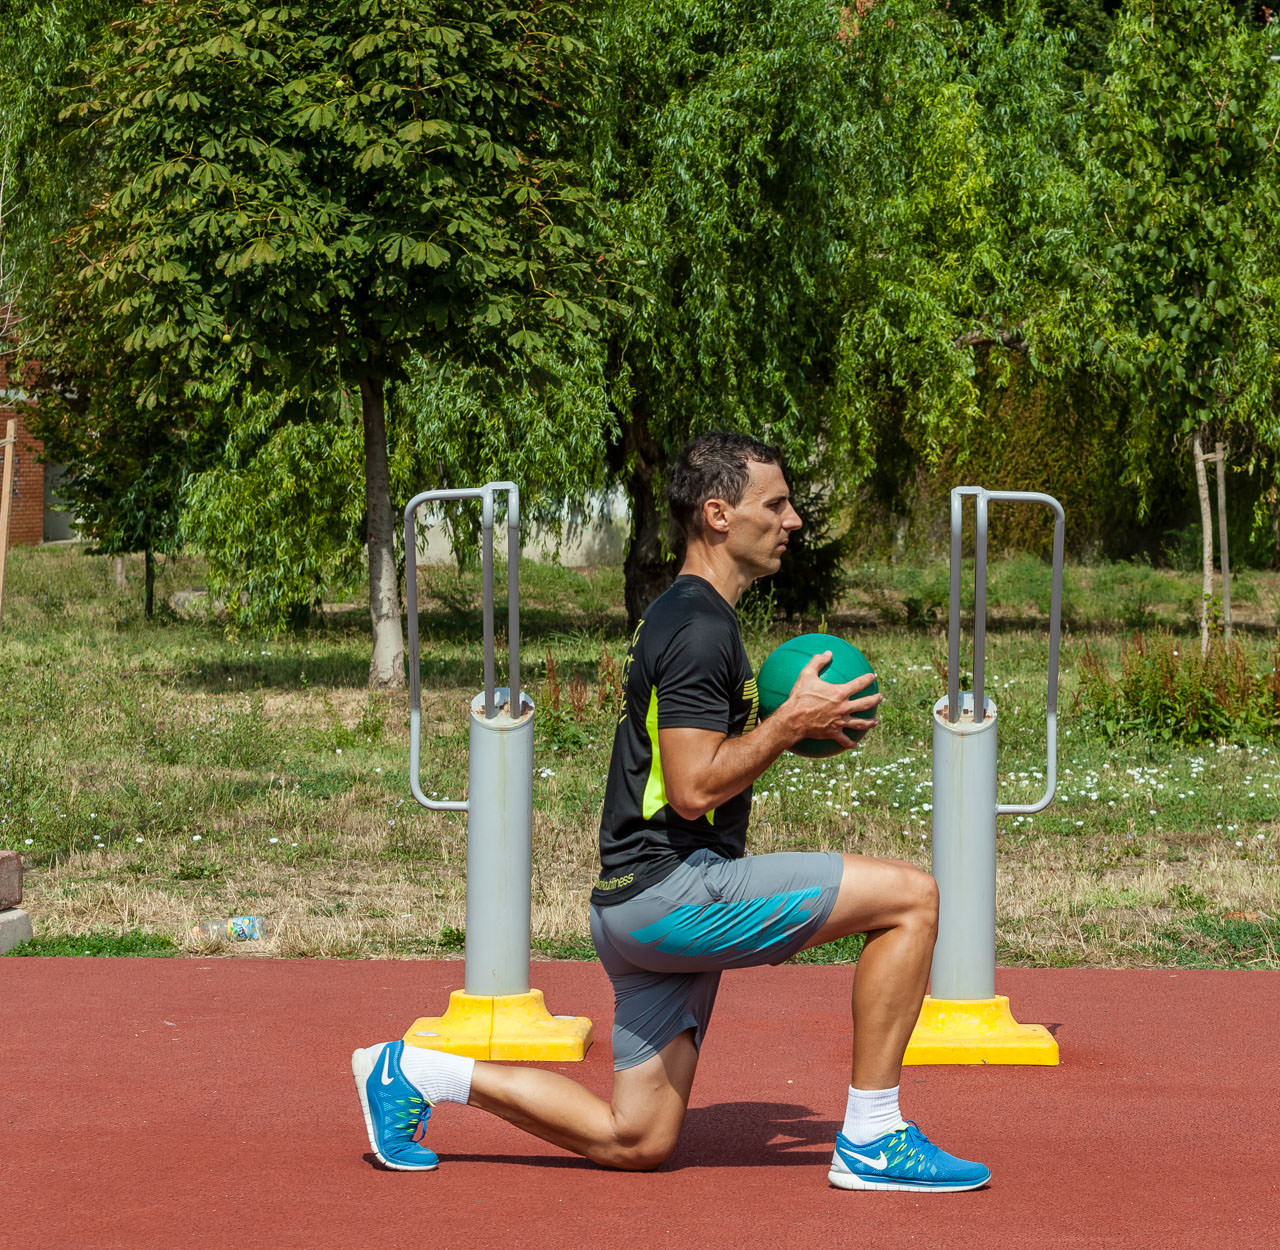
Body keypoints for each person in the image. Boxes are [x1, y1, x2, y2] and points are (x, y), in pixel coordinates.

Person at [351, 431, 990, 1192]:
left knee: (637, 1137)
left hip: (635, 904)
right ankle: (875, 1137)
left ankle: (413, 1071)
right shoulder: (698, 628)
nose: (791, 521)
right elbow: (692, 788)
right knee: (912, 899)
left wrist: (791, 727)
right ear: (717, 514)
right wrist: (788, 726)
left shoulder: (688, 614)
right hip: (670, 891)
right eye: (775, 504)